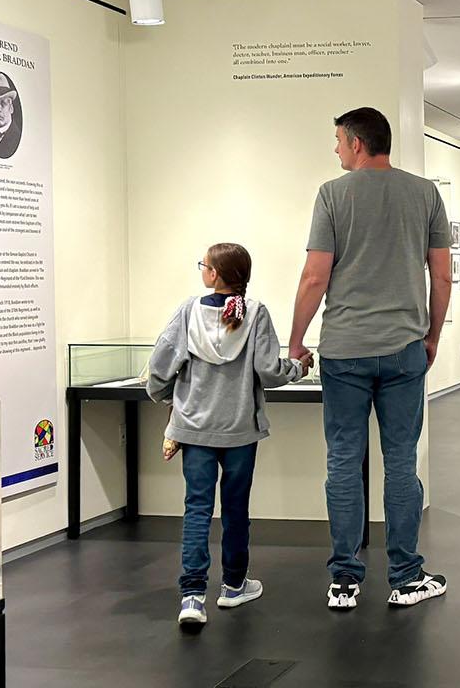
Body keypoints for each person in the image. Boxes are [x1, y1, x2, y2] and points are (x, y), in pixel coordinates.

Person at [288, 107, 452, 609]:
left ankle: (344, 581)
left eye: (338, 140)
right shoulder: (425, 194)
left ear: (357, 144)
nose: (336, 149)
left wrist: (296, 342)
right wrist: (432, 336)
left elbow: (315, 277)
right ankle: (405, 577)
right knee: (401, 462)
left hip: (343, 352)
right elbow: (441, 276)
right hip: (404, 350)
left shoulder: (332, 195)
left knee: (343, 462)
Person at [148, 243, 312, 629]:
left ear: (214, 276)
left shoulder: (189, 312)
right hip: (240, 430)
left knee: (197, 509)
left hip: (195, 429)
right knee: (236, 509)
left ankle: (192, 596)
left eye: (204, 264)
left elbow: (160, 364)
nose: (202, 269)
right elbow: (270, 372)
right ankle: (234, 586)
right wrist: (299, 368)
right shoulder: (256, 314)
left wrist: (166, 397)